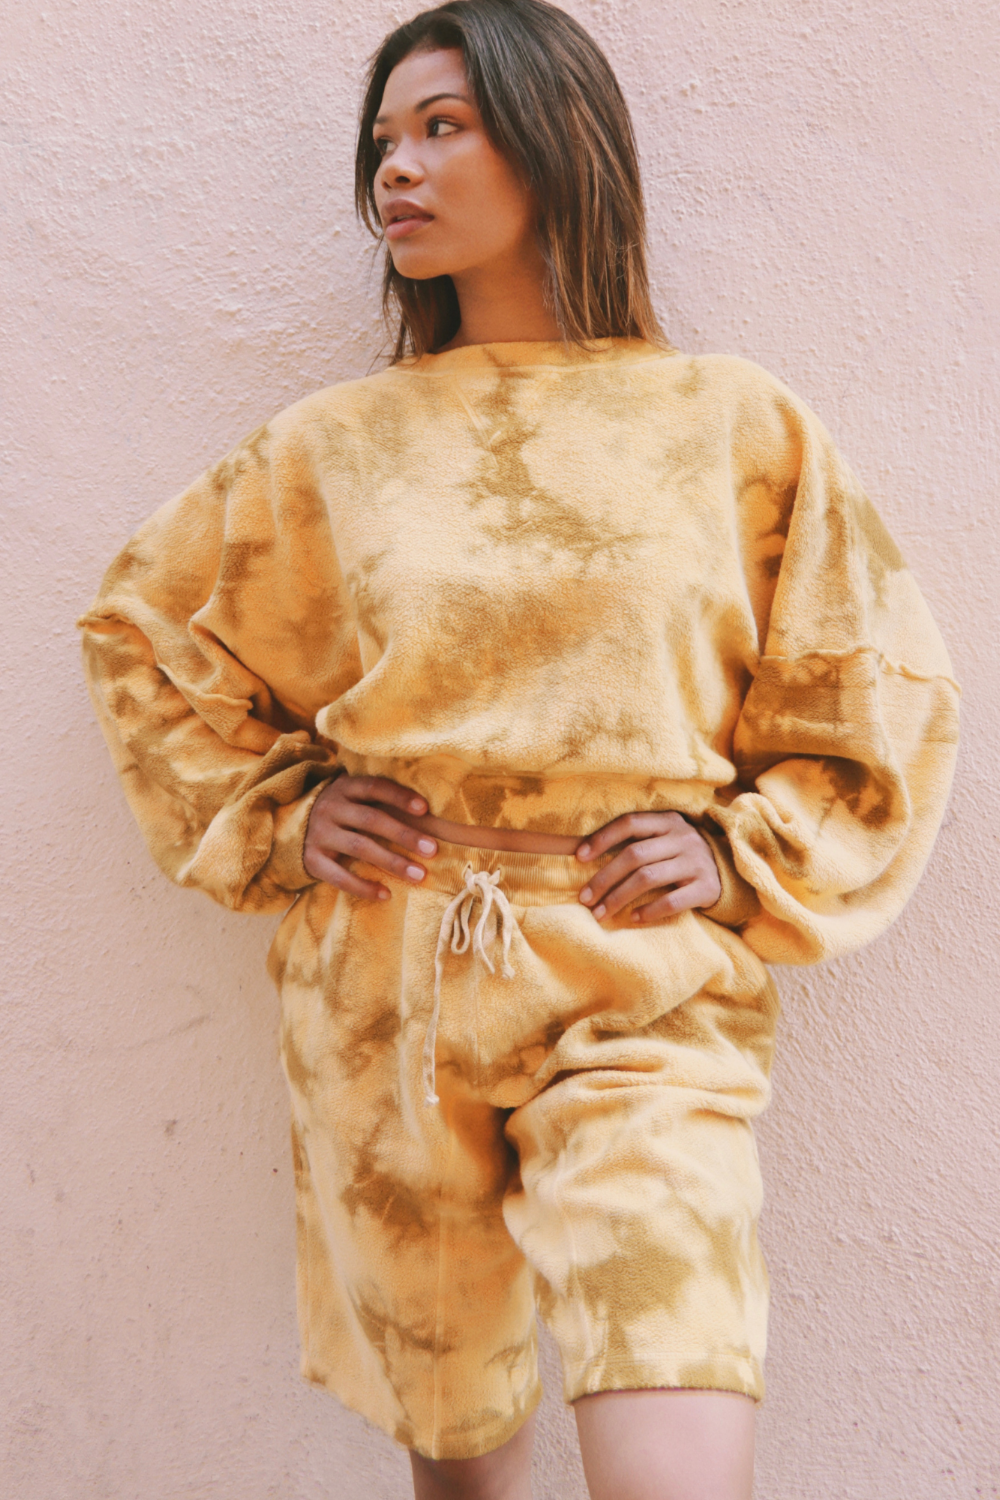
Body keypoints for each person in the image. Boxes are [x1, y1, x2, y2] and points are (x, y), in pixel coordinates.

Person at [78, 2, 959, 1496]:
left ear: (556, 142)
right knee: (463, 1461)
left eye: (443, 126)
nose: (396, 170)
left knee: (674, 1414)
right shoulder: (331, 444)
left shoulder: (732, 422)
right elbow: (144, 632)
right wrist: (282, 816)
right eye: (382, 141)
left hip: (640, 982)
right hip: (390, 984)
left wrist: (743, 854)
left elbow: (874, 683)